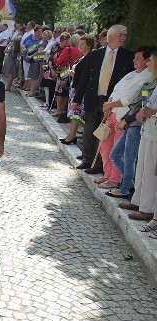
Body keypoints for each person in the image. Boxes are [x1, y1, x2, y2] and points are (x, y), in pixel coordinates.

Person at [72, 25, 135, 174]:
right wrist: (77, 99)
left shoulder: (127, 56)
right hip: (93, 98)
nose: (123, 38)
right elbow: (85, 78)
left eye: (125, 35)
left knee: (105, 134)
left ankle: (100, 164)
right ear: (111, 36)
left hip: (112, 102)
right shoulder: (95, 55)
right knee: (89, 130)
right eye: (121, 35)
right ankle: (88, 159)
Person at [94, 46, 154, 190]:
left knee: (120, 152)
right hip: (113, 112)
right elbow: (116, 89)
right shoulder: (131, 74)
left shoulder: (147, 77)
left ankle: (117, 179)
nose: (134, 60)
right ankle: (108, 174)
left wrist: (109, 104)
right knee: (105, 146)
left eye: (138, 58)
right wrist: (108, 105)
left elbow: (132, 99)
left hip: (126, 117)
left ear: (147, 61)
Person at [109, 49, 157, 200]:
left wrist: (126, 120)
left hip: (137, 125)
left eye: (150, 60)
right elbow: (139, 104)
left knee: (130, 159)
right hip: (133, 122)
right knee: (116, 154)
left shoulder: (149, 81)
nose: (148, 62)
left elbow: (138, 104)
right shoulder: (148, 81)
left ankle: (126, 188)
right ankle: (131, 184)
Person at [61, 34, 95, 145]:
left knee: (76, 113)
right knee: (73, 113)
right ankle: (71, 134)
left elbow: (86, 76)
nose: (80, 45)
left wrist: (74, 75)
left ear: (89, 45)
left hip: (80, 90)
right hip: (74, 87)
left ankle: (72, 135)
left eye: (83, 44)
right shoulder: (82, 57)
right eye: (80, 43)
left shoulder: (90, 58)